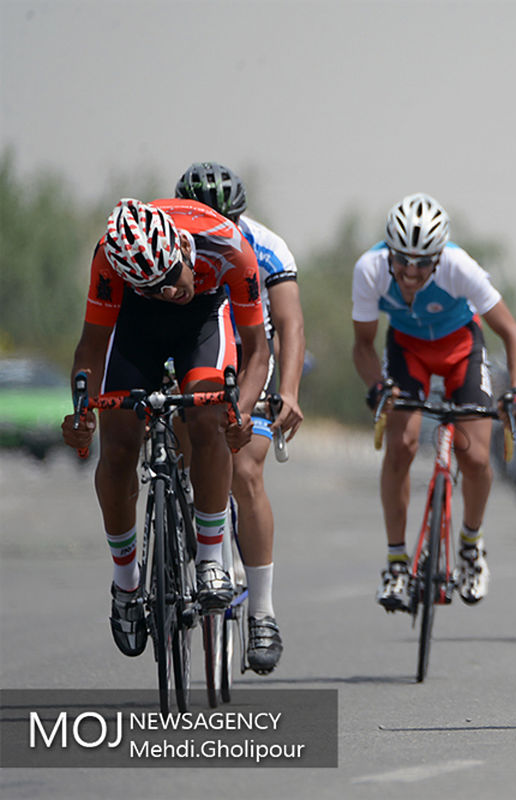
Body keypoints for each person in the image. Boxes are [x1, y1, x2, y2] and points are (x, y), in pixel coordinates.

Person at [60, 198, 268, 658]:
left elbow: (257, 349)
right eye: (152, 287)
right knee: (117, 445)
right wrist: (81, 411)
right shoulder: (109, 258)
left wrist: (243, 410)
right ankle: (126, 584)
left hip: (204, 322)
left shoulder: (228, 247)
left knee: (208, 416)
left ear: (181, 249)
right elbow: (92, 346)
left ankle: (212, 558)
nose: (169, 292)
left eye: (171, 278)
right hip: (137, 328)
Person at [352, 193, 516, 611]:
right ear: (389, 253)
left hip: (460, 351)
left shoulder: (459, 267)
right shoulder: (370, 269)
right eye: (403, 260)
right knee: (402, 446)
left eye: (422, 261)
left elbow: (513, 335)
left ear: (438, 257)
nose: (411, 272)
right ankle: (397, 563)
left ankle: (470, 544)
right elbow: (362, 346)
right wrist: (377, 385)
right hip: (406, 351)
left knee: (475, 457)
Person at [174, 162, 305, 674]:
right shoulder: (169, 239)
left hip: (252, 354)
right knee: (188, 451)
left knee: (246, 467)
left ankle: (263, 613)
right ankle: (197, 542)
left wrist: (289, 391)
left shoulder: (268, 246)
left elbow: (289, 326)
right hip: (192, 349)